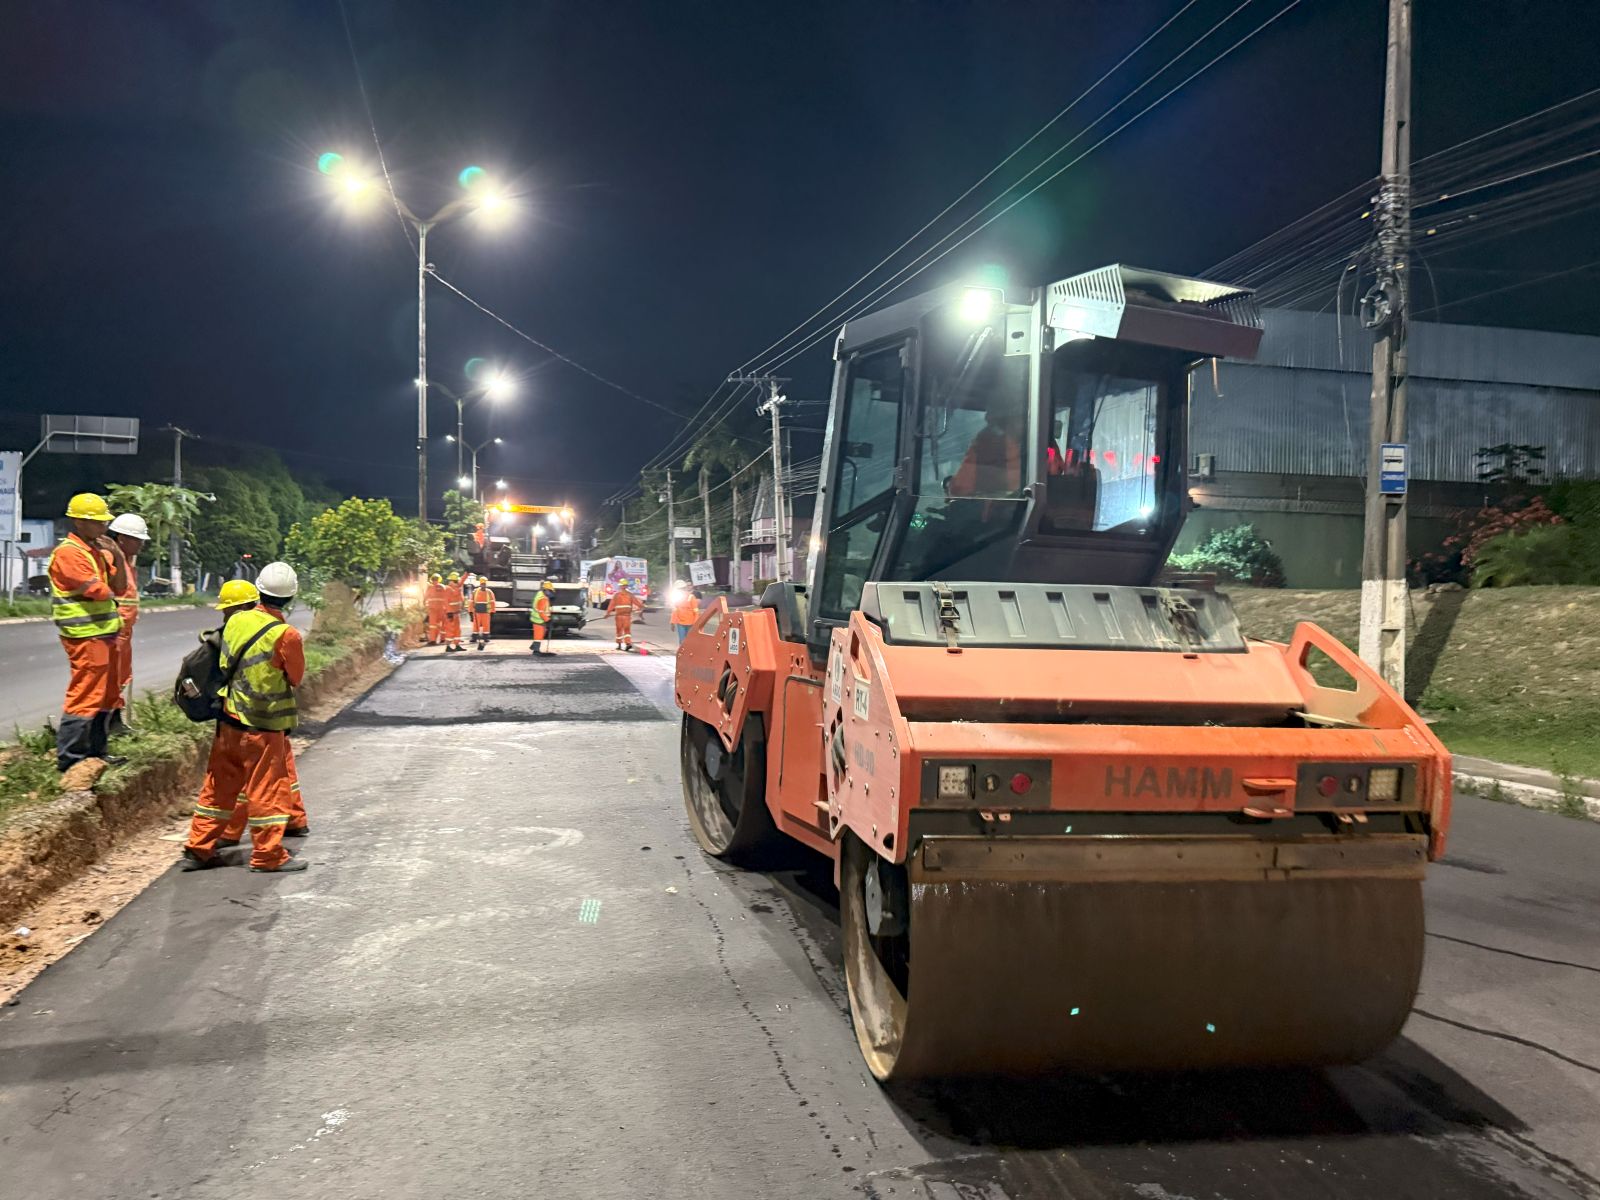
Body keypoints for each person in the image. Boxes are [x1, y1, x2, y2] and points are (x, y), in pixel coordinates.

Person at [182, 562, 307, 874]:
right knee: (267, 789)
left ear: (259, 590)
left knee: (218, 787)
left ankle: (198, 849)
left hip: (227, 721)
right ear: (290, 599)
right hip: (263, 727)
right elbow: (296, 677)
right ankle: (267, 856)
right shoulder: (287, 635)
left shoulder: (236, 622)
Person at [48, 493, 130, 773]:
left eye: (103, 522)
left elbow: (120, 587)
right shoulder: (69, 553)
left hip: (105, 632)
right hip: (84, 635)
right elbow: (98, 591)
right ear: (77, 522)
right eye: (95, 523)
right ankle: (70, 758)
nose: (102, 528)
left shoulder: (98, 552)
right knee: (86, 693)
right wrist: (110, 580)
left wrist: (117, 554)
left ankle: (97, 752)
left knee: (107, 694)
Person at [106, 512, 151, 734]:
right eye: (137, 539)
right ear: (121, 538)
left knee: (120, 676)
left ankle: (115, 722)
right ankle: (107, 725)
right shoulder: (111, 559)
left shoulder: (126, 561)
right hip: (113, 629)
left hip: (123, 630)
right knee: (111, 678)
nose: (141, 544)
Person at [606, 577, 639, 650]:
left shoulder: (616, 595)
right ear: (626, 586)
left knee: (619, 630)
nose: (623, 587)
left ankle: (619, 644)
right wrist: (641, 607)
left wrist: (607, 613)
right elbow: (637, 603)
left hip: (619, 616)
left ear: (620, 586)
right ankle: (628, 643)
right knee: (627, 631)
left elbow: (611, 605)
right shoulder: (630, 595)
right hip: (626, 616)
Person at [470, 576, 496, 650]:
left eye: (484, 584)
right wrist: (470, 612)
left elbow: (492, 602)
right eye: (482, 583)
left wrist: (493, 612)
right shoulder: (475, 591)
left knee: (486, 625)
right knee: (476, 626)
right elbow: (471, 602)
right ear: (480, 584)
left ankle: (486, 637)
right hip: (477, 612)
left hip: (486, 612)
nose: (483, 585)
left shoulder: (489, 592)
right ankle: (474, 638)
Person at [442, 571, 466, 653]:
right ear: (453, 581)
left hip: (456, 612)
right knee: (450, 630)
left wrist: (467, 572)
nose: (458, 582)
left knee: (457, 630)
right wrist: (449, 612)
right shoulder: (448, 588)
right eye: (456, 580)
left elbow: (462, 580)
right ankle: (448, 646)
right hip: (450, 613)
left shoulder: (457, 587)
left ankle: (457, 645)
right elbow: (446, 601)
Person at [529, 579, 554, 656]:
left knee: (542, 633)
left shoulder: (540, 595)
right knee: (538, 635)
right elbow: (541, 612)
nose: (551, 593)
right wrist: (548, 620)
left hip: (538, 619)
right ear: (545, 590)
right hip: (539, 620)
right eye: (550, 591)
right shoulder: (543, 598)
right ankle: (536, 651)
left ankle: (534, 646)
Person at [424, 573, 447, 645]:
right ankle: (443, 639)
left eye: (435, 579)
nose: (435, 581)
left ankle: (433, 640)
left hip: (433, 609)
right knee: (442, 624)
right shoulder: (443, 587)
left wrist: (425, 606)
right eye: (434, 579)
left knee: (433, 625)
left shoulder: (430, 587)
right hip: (442, 608)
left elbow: (425, 598)